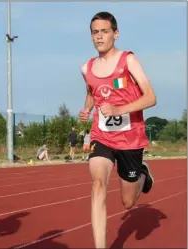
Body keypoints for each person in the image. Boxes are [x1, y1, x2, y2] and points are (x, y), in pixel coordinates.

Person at [79, 12, 156, 248]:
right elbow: (92, 90)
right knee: (98, 184)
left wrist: (119, 108)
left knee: (128, 202)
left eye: (104, 31)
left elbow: (151, 97)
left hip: (130, 139)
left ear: (115, 33)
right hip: (102, 136)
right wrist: (86, 109)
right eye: (95, 32)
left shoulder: (128, 61)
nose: (99, 37)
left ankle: (143, 176)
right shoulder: (86, 68)